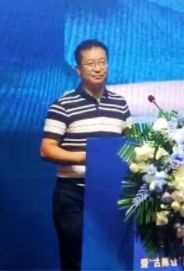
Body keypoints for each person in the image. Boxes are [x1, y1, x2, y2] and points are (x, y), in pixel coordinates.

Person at [40, 39, 132, 271]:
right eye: (90, 64)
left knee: (111, 259)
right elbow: (47, 149)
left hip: (111, 194)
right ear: (78, 70)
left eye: (102, 62)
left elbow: (130, 145)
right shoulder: (63, 105)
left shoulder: (120, 104)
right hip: (74, 195)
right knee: (78, 259)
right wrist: (86, 158)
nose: (98, 68)